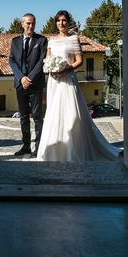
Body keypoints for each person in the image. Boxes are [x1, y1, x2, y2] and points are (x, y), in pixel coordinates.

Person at [37, 10, 121, 163]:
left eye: (64, 20)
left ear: (68, 22)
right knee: (54, 113)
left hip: (68, 79)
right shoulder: (51, 40)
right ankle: (54, 152)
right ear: (55, 23)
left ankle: (74, 149)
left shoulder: (74, 39)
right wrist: (51, 69)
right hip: (54, 82)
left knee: (72, 114)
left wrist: (66, 68)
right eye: (58, 20)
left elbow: (79, 61)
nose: (61, 23)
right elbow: (48, 59)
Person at [9, 13, 48, 156]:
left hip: (35, 84)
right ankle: (26, 146)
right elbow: (12, 60)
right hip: (20, 85)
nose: (31, 26)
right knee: (23, 117)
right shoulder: (15, 41)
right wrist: (21, 78)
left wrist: (29, 78)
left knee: (37, 117)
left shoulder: (42, 40)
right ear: (22, 24)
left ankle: (38, 147)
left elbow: (42, 61)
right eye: (28, 23)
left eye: (33, 23)